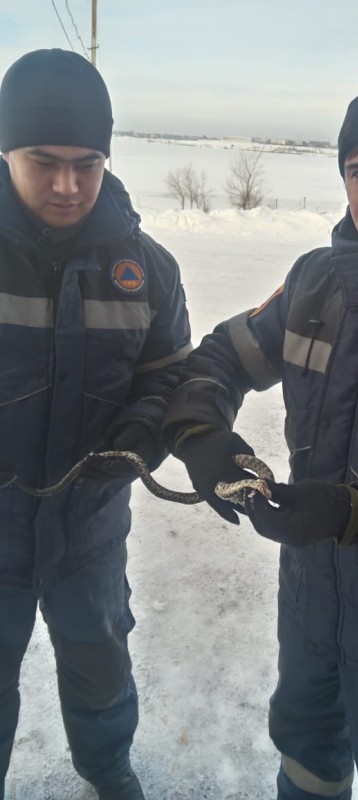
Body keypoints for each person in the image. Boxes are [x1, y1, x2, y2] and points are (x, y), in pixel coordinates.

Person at [163, 58, 358, 800]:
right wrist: (201, 433)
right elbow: (222, 356)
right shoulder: (317, 281)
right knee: (305, 759)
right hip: (311, 606)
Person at [0, 50, 191, 800]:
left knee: (99, 658)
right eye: (43, 162)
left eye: (87, 164)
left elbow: (167, 373)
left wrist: (143, 431)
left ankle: (107, 770)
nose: (68, 185)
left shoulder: (148, 268)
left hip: (89, 526)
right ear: (6, 151)